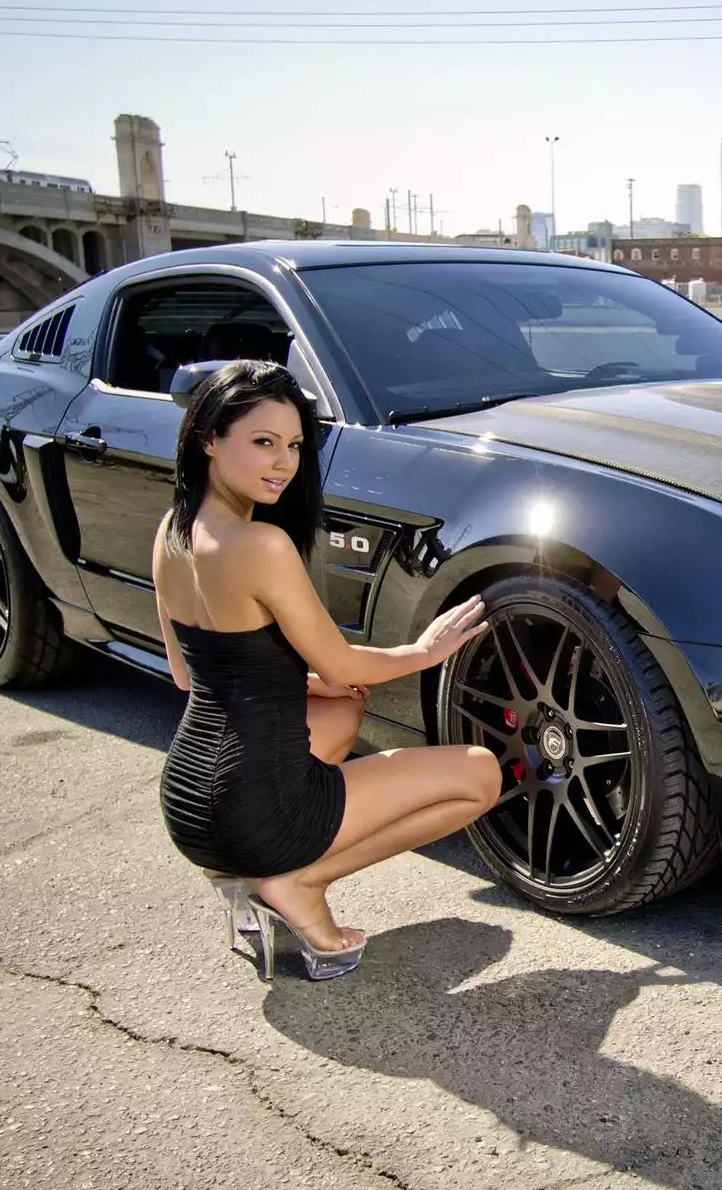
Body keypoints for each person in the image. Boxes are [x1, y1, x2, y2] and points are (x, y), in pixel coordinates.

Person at [151, 359, 499, 981]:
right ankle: (300, 882)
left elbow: (188, 674)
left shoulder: (172, 533)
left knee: (342, 704)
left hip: (189, 802)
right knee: (481, 774)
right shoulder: (260, 545)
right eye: (263, 442)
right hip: (256, 808)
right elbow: (339, 660)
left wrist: (307, 682)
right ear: (209, 439)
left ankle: (253, 871)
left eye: (293, 445)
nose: (283, 463)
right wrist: (425, 651)